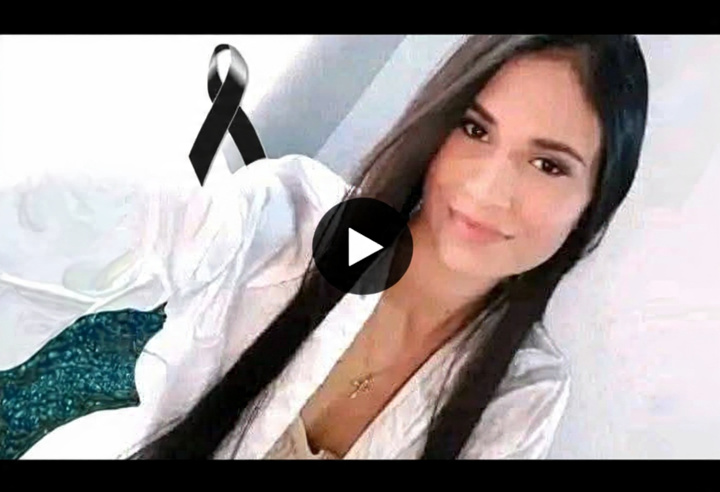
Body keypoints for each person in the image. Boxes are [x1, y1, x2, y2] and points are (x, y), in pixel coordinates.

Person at [3, 34, 649, 460]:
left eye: (548, 165)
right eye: (475, 129)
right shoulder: (300, 222)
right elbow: (115, 218)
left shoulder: (524, 388)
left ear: (594, 203)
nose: (488, 188)